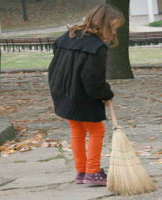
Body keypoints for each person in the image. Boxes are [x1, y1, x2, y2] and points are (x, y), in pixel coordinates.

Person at [48, 4, 124, 186]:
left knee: (77, 130)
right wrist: (106, 94)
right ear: (107, 24)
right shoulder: (97, 47)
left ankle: (81, 172)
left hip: (61, 91)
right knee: (97, 130)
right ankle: (92, 172)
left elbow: (56, 51)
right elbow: (93, 81)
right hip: (83, 95)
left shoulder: (70, 35)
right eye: (114, 28)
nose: (114, 33)